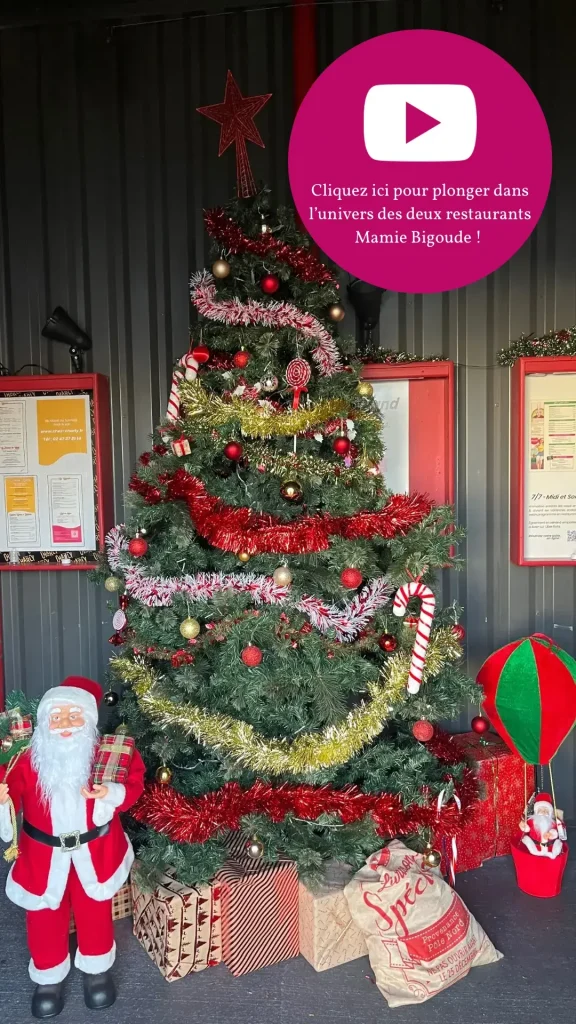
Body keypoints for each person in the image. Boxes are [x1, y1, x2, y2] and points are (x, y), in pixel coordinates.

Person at [0, 676, 145, 1019]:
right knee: (43, 916)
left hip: (94, 851)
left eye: (74, 715)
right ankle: (48, 976)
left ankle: (96, 969)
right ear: (45, 722)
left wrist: (110, 792)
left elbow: (134, 783)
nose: (65, 724)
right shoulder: (27, 758)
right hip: (42, 854)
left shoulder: (108, 753)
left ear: (89, 720)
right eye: (57, 716)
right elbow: (9, 789)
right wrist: (3, 800)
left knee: (95, 910)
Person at [518, 792, 565, 859]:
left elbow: (555, 831)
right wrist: (523, 826)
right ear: (536, 811)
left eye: (546, 810)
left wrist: (550, 834)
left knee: (557, 846)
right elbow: (527, 829)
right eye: (541, 810)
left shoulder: (552, 822)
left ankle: (551, 855)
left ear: (549, 812)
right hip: (535, 846)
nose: (543, 812)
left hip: (549, 847)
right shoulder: (532, 821)